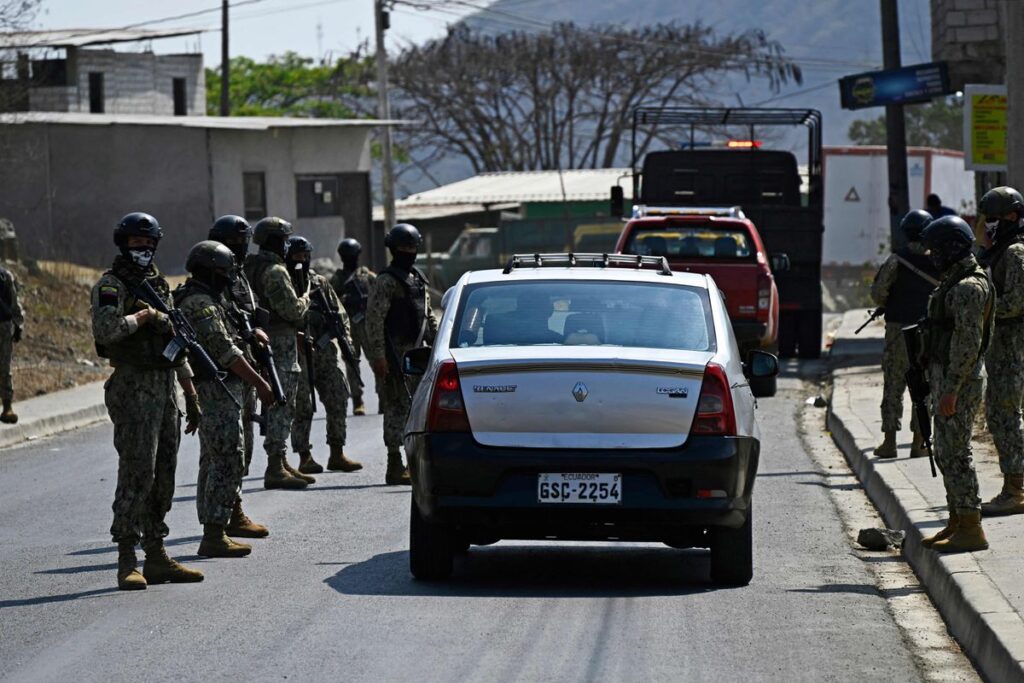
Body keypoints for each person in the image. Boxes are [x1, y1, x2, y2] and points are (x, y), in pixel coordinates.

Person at [91, 212, 204, 590]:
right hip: (133, 387)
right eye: (135, 243)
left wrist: (190, 392)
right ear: (123, 244)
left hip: (164, 386)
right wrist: (142, 317)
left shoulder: (159, 285)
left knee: (164, 475)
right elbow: (106, 329)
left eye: (147, 243)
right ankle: (127, 557)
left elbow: (175, 344)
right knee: (137, 472)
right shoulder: (112, 285)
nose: (142, 249)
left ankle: (157, 554)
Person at [176, 241, 276, 556]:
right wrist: (260, 382)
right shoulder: (199, 302)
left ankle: (222, 522)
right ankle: (214, 534)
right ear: (210, 270)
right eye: (224, 270)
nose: (230, 276)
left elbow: (232, 336)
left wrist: (251, 335)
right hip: (216, 389)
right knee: (226, 456)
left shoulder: (215, 298)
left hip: (225, 387)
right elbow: (224, 350)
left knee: (217, 456)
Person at [917, 215, 994, 553]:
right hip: (948, 378)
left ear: (951, 248)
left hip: (958, 382)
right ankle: (957, 519)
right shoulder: (954, 281)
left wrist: (951, 388)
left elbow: (967, 342)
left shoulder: (967, 288)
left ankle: (971, 526)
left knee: (957, 452)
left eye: (936, 250)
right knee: (946, 451)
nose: (933, 257)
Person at [243, 217, 314, 490]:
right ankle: (275, 466)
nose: (287, 246)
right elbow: (293, 311)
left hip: (265, 341)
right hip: (278, 344)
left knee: (278, 402)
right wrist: (306, 295)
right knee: (282, 403)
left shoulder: (250, 266)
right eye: (284, 241)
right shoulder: (275, 270)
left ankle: (281, 461)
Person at [366, 223, 438, 485]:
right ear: (393, 249)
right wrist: (378, 357)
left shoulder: (418, 278)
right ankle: (394, 463)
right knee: (396, 407)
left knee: (417, 407)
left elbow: (427, 316)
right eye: (403, 247)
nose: (409, 251)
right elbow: (374, 320)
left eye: (412, 247)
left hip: (419, 353)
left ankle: (413, 461)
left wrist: (440, 343)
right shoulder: (386, 281)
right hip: (396, 354)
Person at [286, 236, 363, 474]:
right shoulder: (283, 283)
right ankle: (304, 456)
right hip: (297, 354)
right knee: (303, 406)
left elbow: (340, 315)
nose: (302, 260)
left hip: (325, 351)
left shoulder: (319, 283)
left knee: (338, 396)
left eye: (305, 256)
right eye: (297, 256)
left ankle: (337, 452)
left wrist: (345, 341)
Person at [870, 209, 940, 459]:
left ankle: (889, 442)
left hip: (898, 330)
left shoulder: (896, 260)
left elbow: (878, 293)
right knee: (923, 386)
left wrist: (891, 301)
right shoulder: (939, 259)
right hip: (928, 331)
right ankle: (919, 442)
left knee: (894, 384)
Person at [978, 186, 1024, 517]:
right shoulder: (1000, 252)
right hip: (1002, 349)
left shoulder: (1015, 253)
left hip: (1013, 350)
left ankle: (1015, 490)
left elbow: (1017, 302)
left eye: (994, 218)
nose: (988, 225)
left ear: (1012, 216)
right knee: (999, 415)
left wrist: (984, 307)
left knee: (1006, 416)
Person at [331, 237, 375, 416]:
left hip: (367, 325)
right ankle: (358, 400)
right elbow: (331, 301)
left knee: (376, 360)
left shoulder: (368, 276)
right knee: (351, 363)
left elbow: (380, 297)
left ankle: (384, 398)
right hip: (348, 326)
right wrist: (345, 301)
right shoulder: (338, 279)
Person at [0, 262, 23, 424]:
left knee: (4, 368)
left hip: (4, 326)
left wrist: (18, 325)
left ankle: (7, 406)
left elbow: (14, 302)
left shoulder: (5, 276)